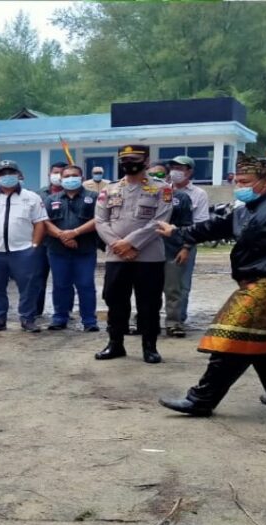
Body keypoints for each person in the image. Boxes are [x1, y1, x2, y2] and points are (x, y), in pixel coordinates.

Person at [156, 153, 266, 416]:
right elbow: (213, 227)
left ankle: (201, 399)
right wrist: (177, 233)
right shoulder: (246, 210)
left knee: (231, 336)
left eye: (245, 180)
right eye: (237, 180)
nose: (240, 186)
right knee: (261, 345)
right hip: (253, 283)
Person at [94, 145, 173, 364]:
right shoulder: (108, 189)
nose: (129, 163)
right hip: (116, 256)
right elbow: (101, 221)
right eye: (124, 159)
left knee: (149, 303)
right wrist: (117, 245)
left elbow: (160, 220)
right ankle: (115, 344)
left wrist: (130, 243)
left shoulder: (162, 188)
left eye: (134, 159)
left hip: (149, 256)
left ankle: (150, 347)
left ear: (146, 161)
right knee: (115, 300)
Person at [0, 161, 47, 333]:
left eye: (11, 172)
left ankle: (27, 319)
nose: (7, 176)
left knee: (28, 288)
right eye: (3, 173)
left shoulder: (32, 197)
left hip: (23, 250)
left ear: (19, 175)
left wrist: (34, 245)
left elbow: (40, 223)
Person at [43, 165, 100, 332]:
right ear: (61, 179)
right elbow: (44, 222)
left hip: (85, 250)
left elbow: (99, 219)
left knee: (86, 284)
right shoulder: (51, 199)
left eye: (74, 175)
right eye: (66, 176)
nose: (70, 178)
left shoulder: (94, 197)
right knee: (60, 285)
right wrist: (63, 236)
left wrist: (75, 233)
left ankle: (89, 320)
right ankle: (60, 318)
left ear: (82, 178)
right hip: (57, 251)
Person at [167, 155, 209, 328]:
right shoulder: (161, 189)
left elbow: (200, 224)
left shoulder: (199, 194)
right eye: (173, 168)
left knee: (182, 285)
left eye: (181, 169)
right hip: (158, 244)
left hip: (184, 245)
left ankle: (177, 320)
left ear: (189, 172)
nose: (175, 172)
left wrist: (186, 247)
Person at [156, 163, 194, 338]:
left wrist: (186, 248)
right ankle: (145, 320)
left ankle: (173, 323)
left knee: (173, 289)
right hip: (147, 251)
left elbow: (188, 226)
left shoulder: (181, 197)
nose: (155, 177)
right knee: (147, 290)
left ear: (167, 176)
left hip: (172, 250)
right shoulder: (141, 196)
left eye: (159, 174)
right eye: (151, 174)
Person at [33, 162, 68, 319]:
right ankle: (35, 310)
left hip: (63, 242)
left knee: (63, 279)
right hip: (41, 241)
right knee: (38, 277)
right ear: (49, 174)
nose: (58, 176)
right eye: (56, 172)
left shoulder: (72, 194)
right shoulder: (38, 194)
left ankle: (63, 311)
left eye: (62, 173)